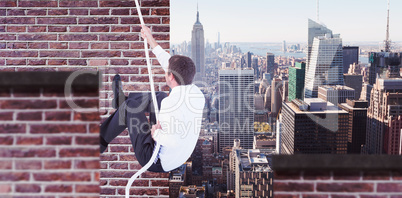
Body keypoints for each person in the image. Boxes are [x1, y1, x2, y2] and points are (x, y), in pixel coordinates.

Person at [100, 25, 205, 172]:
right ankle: (120, 102)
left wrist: (157, 134)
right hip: (173, 152)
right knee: (160, 96)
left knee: (131, 106)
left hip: (156, 159)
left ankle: (98, 142)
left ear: (171, 76)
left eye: (167, 71)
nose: (165, 70)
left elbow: (176, 140)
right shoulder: (195, 92)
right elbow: (168, 62)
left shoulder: (170, 105)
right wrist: (150, 39)